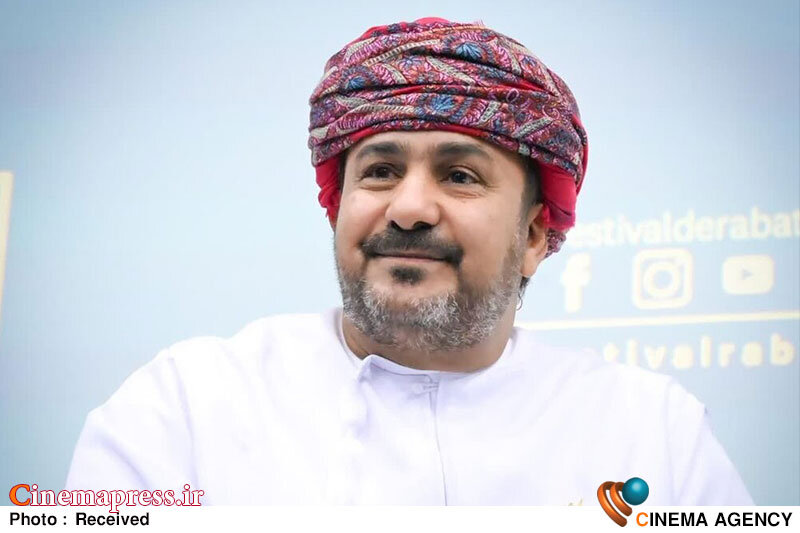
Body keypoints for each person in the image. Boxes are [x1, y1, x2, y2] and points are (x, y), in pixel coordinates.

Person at [66, 17, 752, 505]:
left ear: (536, 236)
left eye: (460, 175)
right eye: (381, 171)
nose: (410, 208)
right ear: (338, 205)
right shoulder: (183, 409)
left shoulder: (653, 432)